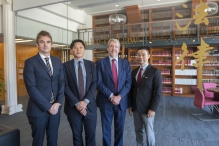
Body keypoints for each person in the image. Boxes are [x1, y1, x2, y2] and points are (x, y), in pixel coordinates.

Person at [23, 30, 65, 146]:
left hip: (55, 109)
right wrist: (48, 107)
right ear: (37, 45)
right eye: (42, 42)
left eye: (48, 42)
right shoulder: (30, 62)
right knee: (38, 141)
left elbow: (62, 83)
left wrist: (58, 103)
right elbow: (31, 88)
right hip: (38, 110)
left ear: (51, 44)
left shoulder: (57, 61)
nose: (45, 44)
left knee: (53, 140)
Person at [96, 39, 132, 146]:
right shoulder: (100, 63)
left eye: (116, 47)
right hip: (106, 101)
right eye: (111, 46)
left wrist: (119, 96)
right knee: (106, 130)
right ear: (107, 48)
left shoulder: (125, 63)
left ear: (119, 49)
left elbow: (128, 82)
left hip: (121, 102)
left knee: (119, 130)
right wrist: (111, 96)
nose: (113, 49)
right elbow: (99, 83)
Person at [63, 39, 97, 146]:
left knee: (91, 135)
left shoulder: (91, 65)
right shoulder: (65, 66)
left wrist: (85, 102)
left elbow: (94, 84)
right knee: (77, 136)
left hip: (90, 107)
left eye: (80, 47)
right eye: (75, 48)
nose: (78, 50)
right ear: (71, 50)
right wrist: (77, 104)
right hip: (73, 107)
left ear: (84, 50)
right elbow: (64, 86)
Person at [129, 46, 162, 146]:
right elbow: (132, 90)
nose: (141, 57)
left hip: (148, 109)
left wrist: (153, 108)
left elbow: (158, 92)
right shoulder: (134, 72)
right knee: (138, 131)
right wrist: (130, 105)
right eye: (138, 55)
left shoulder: (155, 71)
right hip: (136, 108)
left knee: (149, 132)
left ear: (148, 56)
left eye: (143, 55)